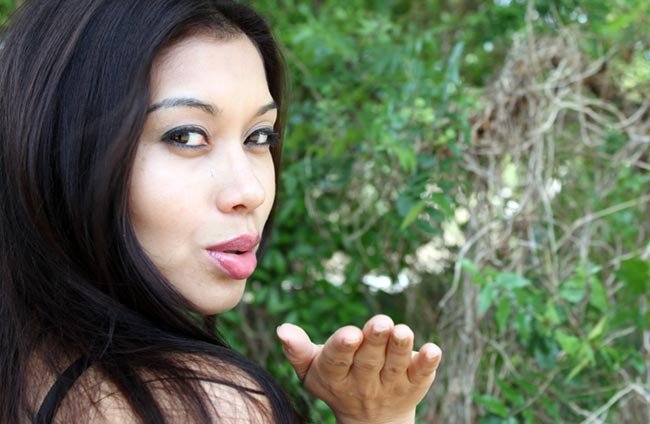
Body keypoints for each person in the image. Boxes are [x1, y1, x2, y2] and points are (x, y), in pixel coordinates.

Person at [0, 0, 442, 422]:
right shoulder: (203, 405)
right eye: (187, 137)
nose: (250, 191)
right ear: (65, 154)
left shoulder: (24, 369)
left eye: (259, 137)